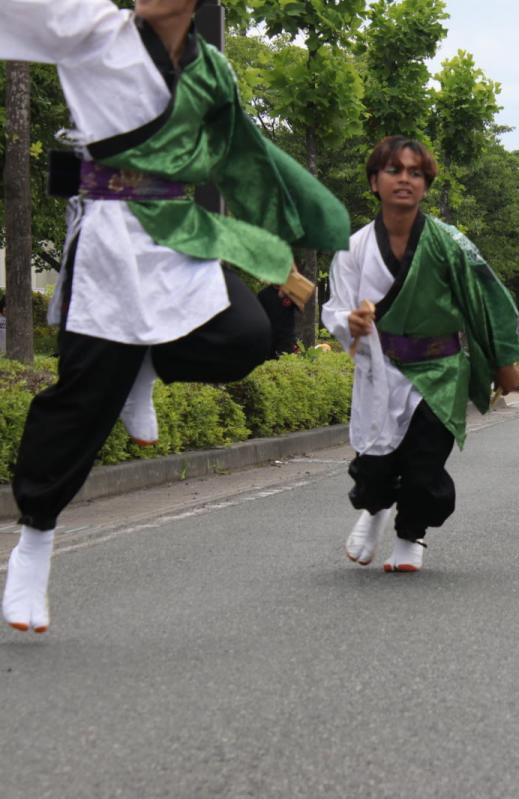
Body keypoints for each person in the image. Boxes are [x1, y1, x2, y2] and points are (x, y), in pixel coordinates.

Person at [0, 0, 350, 634]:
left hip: (176, 232)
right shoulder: (92, 30)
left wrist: (288, 240)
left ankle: (149, 364)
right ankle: (34, 544)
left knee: (244, 335)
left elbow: (244, 158)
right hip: (108, 239)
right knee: (81, 399)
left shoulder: (211, 69)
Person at [322, 136, 519, 574]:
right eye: (394, 171)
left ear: (426, 185)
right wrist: (349, 323)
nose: (405, 180)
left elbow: (487, 298)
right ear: (374, 181)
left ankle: (411, 535)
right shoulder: (352, 247)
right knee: (374, 463)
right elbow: (336, 308)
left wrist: (505, 360)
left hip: (440, 369)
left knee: (424, 462)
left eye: (415, 172)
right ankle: (374, 510)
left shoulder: (449, 243)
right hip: (381, 369)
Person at [257, 285, 299, 357]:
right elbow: (258, 315)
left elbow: (301, 306)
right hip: (269, 338)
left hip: (286, 338)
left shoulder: (290, 293)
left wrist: (291, 300)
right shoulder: (263, 294)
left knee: (286, 363)